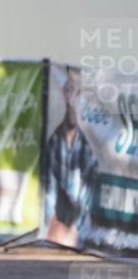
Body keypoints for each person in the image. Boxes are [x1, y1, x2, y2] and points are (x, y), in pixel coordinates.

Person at [43, 67, 97, 248]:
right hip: (58, 227)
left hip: (79, 230)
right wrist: (51, 224)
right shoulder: (54, 140)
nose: (72, 100)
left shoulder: (90, 145)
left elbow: (88, 196)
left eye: (78, 93)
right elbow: (48, 189)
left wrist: (75, 229)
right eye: (68, 91)